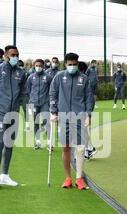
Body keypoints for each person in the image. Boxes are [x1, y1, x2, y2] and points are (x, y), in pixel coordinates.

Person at [50, 52, 94, 190]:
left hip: (80, 116)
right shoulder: (59, 77)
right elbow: (53, 93)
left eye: (75, 64)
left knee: (80, 148)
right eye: (70, 65)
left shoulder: (84, 79)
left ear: (77, 63)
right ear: (65, 64)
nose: (72, 67)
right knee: (66, 147)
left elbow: (89, 98)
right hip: (63, 116)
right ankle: (68, 177)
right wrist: (53, 110)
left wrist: (88, 114)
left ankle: (79, 178)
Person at [0, 45, 27, 190]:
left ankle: (5, 175)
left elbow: (23, 94)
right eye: (13, 55)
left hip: (13, 112)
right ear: (5, 56)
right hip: (0, 112)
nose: (15, 57)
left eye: (17, 54)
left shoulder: (22, 73)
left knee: (9, 144)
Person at [26, 59, 53, 149]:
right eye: (37, 66)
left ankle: (49, 143)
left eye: (40, 66)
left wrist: (49, 101)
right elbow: (29, 90)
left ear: (43, 66)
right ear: (34, 66)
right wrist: (32, 99)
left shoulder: (48, 77)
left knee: (46, 122)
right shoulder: (31, 77)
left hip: (45, 103)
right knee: (36, 122)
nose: (38, 67)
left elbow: (52, 90)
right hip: (34, 103)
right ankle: (38, 142)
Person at [18, 59, 31, 132]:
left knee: (26, 110)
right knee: (15, 110)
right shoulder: (14, 73)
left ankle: (27, 126)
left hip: (25, 94)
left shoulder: (27, 74)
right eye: (19, 66)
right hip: (16, 94)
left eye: (21, 66)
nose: (20, 67)